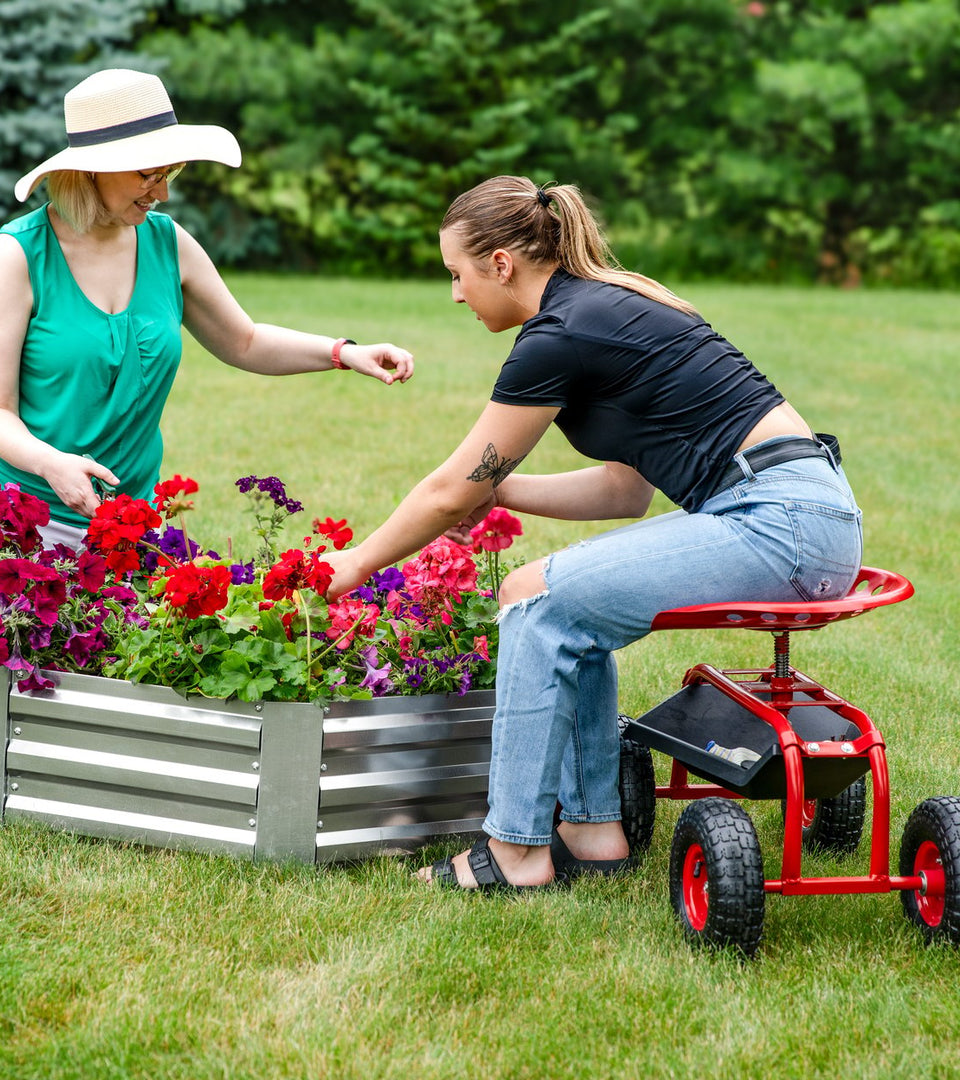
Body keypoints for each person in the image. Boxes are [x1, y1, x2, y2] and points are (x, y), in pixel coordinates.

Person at [323, 175, 863, 891]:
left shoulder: (560, 335)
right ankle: (592, 833)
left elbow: (451, 490)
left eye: (457, 274)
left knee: (533, 599)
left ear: (502, 265)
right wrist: (506, 489)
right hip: (803, 513)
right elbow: (625, 490)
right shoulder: (604, 306)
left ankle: (514, 850)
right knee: (565, 605)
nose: (455, 294)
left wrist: (356, 563)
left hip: (779, 522)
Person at [0, 67, 414, 714]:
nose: (161, 191)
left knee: (130, 687)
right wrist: (52, 463)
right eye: (146, 174)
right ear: (93, 169)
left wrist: (344, 353)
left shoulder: (166, 244)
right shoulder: (19, 255)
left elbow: (243, 341)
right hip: (13, 522)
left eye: (171, 172)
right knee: (10, 712)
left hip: (118, 526)